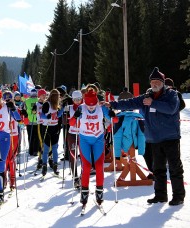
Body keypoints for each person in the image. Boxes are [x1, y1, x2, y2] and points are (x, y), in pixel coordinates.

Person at [104, 67, 185, 206]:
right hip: (154, 138)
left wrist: (154, 103)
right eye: (152, 81)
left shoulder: (172, 94)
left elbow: (171, 109)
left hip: (170, 137)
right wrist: (113, 104)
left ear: (162, 82)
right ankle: (160, 195)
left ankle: (178, 196)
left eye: (157, 81)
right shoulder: (147, 96)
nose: (154, 84)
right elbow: (131, 102)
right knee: (157, 169)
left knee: (174, 168)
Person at [69, 89, 114, 206]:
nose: (91, 108)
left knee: (99, 165)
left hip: (98, 139)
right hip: (84, 139)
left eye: (93, 105)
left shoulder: (101, 108)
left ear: (96, 102)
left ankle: (99, 190)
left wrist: (112, 114)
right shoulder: (81, 108)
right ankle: (84, 191)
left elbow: (115, 119)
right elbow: (71, 123)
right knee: (87, 166)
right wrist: (75, 116)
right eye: (89, 106)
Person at [41, 89, 65, 177]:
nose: (59, 98)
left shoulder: (56, 105)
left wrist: (62, 109)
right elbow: (41, 115)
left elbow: (58, 115)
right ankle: (44, 166)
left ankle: (55, 166)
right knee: (46, 149)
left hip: (55, 128)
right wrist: (46, 116)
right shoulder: (47, 104)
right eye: (58, 96)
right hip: (47, 128)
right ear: (54, 96)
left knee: (55, 148)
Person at [2, 91, 19, 191]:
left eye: (10, 98)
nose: (8, 101)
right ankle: (3, 177)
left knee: (12, 159)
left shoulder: (15, 108)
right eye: (6, 99)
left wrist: (14, 109)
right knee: (4, 159)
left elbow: (21, 120)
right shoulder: (1, 109)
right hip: (3, 136)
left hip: (14, 136)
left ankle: (12, 179)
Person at [67, 90, 83, 189]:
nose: (77, 101)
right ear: (72, 99)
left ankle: (82, 176)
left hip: (82, 134)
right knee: (73, 155)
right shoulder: (69, 108)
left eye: (79, 99)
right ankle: (75, 177)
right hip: (72, 134)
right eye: (75, 100)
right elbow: (65, 121)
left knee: (83, 156)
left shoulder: (85, 107)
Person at [25, 89, 39, 156]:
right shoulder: (39, 100)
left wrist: (25, 113)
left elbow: (22, 108)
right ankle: (35, 150)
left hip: (30, 121)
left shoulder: (27, 100)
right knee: (36, 136)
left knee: (31, 136)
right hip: (37, 121)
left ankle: (31, 150)